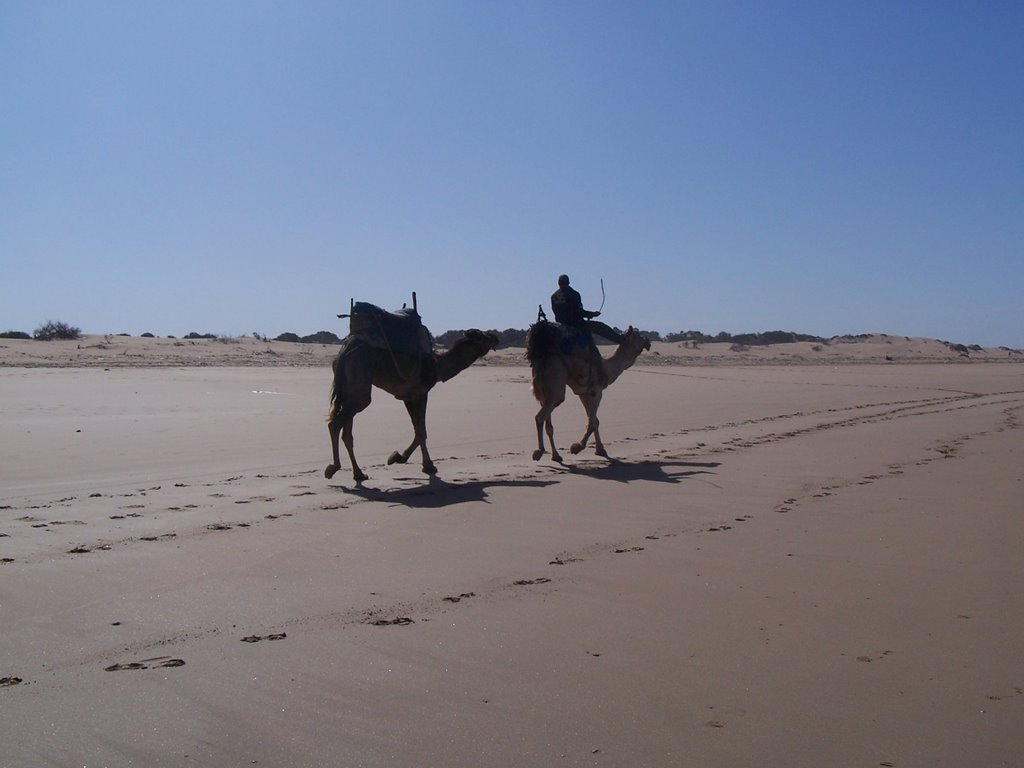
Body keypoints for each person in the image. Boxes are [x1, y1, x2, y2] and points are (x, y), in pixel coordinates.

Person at [550, 274, 625, 344]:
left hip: (561, 325)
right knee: (600, 327)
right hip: (576, 325)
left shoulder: (553, 297)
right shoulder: (573, 294)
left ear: (558, 283)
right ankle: (621, 340)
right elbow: (580, 312)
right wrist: (593, 314)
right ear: (568, 282)